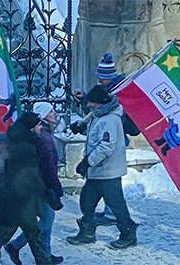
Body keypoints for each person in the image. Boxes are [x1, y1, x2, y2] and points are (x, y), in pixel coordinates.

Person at [67, 85, 139, 249]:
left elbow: (106, 147)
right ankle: (87, 233)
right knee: (86, 201)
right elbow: (95, 134)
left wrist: (87, 162)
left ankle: (128, 234)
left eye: (93, 104)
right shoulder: (100, 115)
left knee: (116, 205)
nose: (90, 106)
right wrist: (81, 128)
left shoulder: (110, 119)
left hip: (108, 172)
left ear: (102, 103)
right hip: (97, 172)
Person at [72, 52, 140, 227]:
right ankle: (91, 227)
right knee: (95, 195)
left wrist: (88, 161)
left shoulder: (116, 101)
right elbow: (97, 106)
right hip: (103, 157)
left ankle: (124, 227)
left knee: (111, 192)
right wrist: (84, 100)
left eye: (102, 78)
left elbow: (106, 143)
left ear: (109, 77)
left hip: (112, 151)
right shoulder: (105, 97)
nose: (100, 81)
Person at [4, 103, 64, 265]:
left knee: (44, 221)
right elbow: (48, 165)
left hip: (37, 185)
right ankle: (16, 246)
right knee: (45, 221)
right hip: (40, 186)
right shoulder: (43, 137)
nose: (54, 113)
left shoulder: (41, 134)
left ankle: (46, 254)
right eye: (51, 111)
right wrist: (53, 187)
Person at [0, 112, 53, 265]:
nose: (41, 127)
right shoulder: (26, 148)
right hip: (17, 201)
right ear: (31, 128)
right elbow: (30, 176)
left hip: (17, 198)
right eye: (39, 125)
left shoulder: (19, 142)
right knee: (3, 235)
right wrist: (45, 192)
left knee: (31, 233)